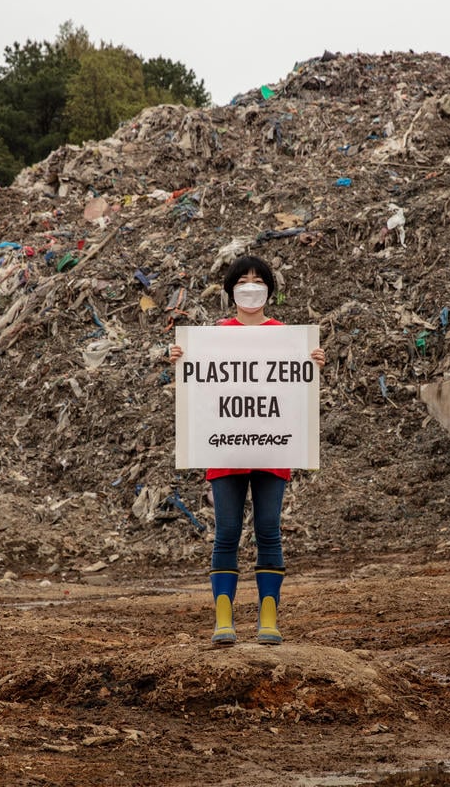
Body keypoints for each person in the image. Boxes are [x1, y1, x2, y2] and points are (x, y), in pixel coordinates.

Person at [169, 255, 325, 645]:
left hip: (273, 450)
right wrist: (180, 359)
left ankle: (268, 618)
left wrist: (314, 363)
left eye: (258, 281)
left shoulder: (288, 337)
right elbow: (200, 389)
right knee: (227, 533)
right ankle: (224, 619)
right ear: (231, 290)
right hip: (225, 451)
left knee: (269, 530)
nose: (250, 286)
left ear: (269, 290)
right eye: (243, 281)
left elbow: (296, 387)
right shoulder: (214, 337)